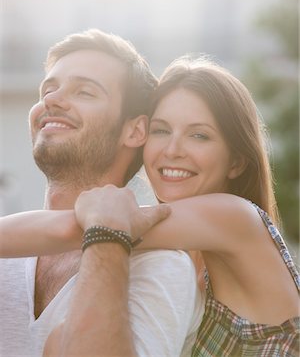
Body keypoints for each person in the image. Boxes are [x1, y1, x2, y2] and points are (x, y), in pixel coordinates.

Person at [45, 55, 299, 356]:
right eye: (161, 130)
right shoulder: (185, 262)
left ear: (236, 162)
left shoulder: (235, 216)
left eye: (199, 135)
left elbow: (71, 231)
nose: (173, 150)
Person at [0, 31, 204, 357]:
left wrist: (105, 235)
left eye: (84, 91)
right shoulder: (7, 250)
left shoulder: (160, 264)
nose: (51, 100)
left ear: (135, 130)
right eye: (48, 89)